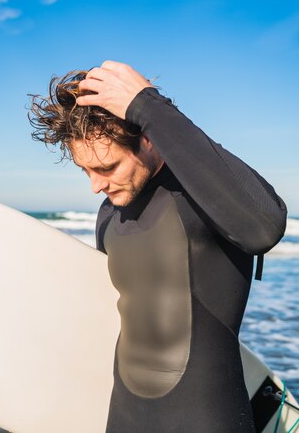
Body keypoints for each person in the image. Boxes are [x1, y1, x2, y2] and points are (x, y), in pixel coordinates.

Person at [28, 61, 287, 432]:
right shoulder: (109, 215)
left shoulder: (203, 198)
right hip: (124, 417)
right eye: (86, 171)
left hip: (205, 418)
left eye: (107, 167)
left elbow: (264, 226)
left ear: (148, 140)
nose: (96, 186)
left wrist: (147, 105)